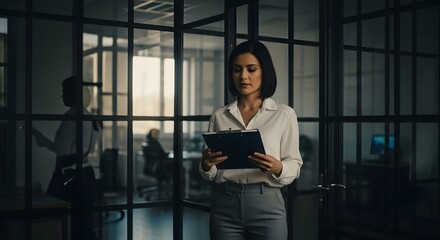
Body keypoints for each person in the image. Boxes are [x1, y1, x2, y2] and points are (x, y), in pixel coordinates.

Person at [199, 40, 303, 240]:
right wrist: (205, 165)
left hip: (267, 204)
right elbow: (209, 172)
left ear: (265, 72)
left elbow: (295, 164)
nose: (243, 76)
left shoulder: (284, 114)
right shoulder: (219, 115)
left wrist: (278, 167)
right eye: (237, 70)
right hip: (224, 204)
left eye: (251, 69)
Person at [32, 76, 100, 240]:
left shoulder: (71, 116)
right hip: (87, 172)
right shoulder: (90, 117)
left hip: (71, 175)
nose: (62, 97)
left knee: (68, 221)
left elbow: (60, 148)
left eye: (64, 93)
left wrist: (37, 135)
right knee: (84, 222)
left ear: (73, 94)